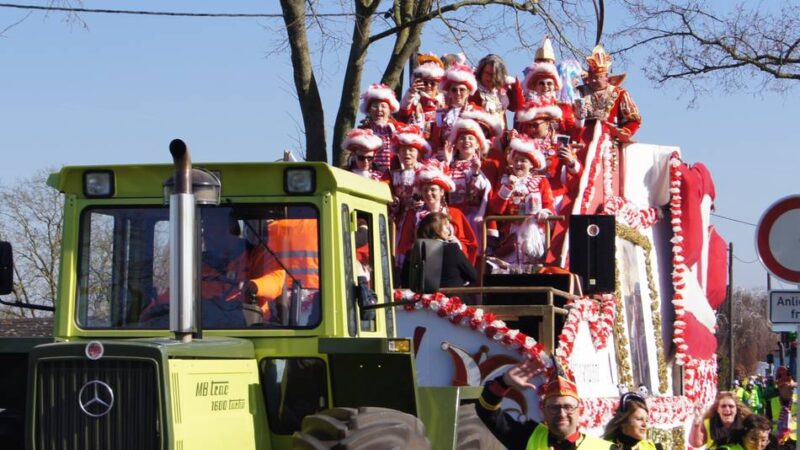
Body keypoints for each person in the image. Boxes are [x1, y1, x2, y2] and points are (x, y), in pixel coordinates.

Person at [476, 357, 615, 449]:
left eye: (568, 407)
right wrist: (503, 382)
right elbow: (487, 411)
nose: (562, 413)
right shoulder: (528, 437)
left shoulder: (607, 449)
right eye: (554, 407)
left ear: (579, 410)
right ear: (544, 410)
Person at [487, 134, 554, 266]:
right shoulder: (506, 181)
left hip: (534, 231)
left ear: (531, 164)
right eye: (516, 160)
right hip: (512, 232)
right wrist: (508, 187)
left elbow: (549, 204)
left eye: (523, 161)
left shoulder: (541, 181)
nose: (518, 164)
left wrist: (545, 213)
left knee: (534, 266)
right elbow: (497, 209)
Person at [395, 163, 478, 266]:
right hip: (423, 264)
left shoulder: (455, 214)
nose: (429, 193)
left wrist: (456, 243)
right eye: (425, 190)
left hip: (450, 264)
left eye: (433, 189)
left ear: (442, 192)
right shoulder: (413, 215)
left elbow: (469, 244)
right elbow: (404, 245)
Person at [576, 44, 641, 145]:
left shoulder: (619, 93)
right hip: (582, 141)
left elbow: (634, 120)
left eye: (598, 77)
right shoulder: (579, 92)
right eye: (592, 77)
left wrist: (624, 131)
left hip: (609, 142)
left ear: (606, 76)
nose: (594, 80)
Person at [441, 118, 492, 244]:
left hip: (472, 217)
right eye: (462, 138)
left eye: (470, 138)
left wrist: (475, 172)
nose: (466, 141)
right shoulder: (450, 166)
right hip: (452, 216)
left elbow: (483, 190)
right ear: (456, 145)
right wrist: (447, 162)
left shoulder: (484, 165)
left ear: (477, 145)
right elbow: (442, 186)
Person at [400, 212, 477, 289]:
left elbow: (405, 282)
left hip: (422, 299)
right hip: (452, 299)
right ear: (438, 229)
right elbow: (473, 276)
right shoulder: (452, 249)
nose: (449, 231)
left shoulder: (412, 253)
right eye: (447, 228)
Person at [429, 63, 484, 155]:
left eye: (462, 90)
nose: (458, 93)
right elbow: (435, 141)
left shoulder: (476, 112)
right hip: (443, 158)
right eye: (454, 90)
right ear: (449, 93)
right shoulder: (441, 114)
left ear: (468, 92)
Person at [387, 124, 428, 238]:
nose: (407, 154)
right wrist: (395, 203)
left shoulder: (426, 172)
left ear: (418, 153)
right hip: (401, 220)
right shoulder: (393, 174)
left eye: (411, 150)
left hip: (421, 218)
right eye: (403, 150)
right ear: (398, 153)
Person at [357, 83, 404, 171]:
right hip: (370, 174)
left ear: (390, 110)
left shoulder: (399, 129)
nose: (379, 110)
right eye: (375, 106)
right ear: (369, 110)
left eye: (383, 106)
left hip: (393, 173)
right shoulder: (362, 131)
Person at [397, 53, 446, 137]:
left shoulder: (444, 105)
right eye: (425, 83)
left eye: (433, 83)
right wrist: (411, 92)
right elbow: (404, 109)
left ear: (438, 86)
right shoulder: (415, 102)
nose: (429, 86)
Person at [470, 54, 521, 129]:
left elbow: (517, 107)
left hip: (501, 137)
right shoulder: (473, 88)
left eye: (493, 75)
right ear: (481, 71)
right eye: (487, 73)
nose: (489, 77)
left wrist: (514, 85)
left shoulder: (502, 90)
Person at [765, 371, 797, 448]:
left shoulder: (797, 401)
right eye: (789, 388)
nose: (792, 390)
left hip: (795, 441)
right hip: (777, 442)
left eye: (793, 388)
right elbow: (766, 424)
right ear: (780, 388)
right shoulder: (771, 403)